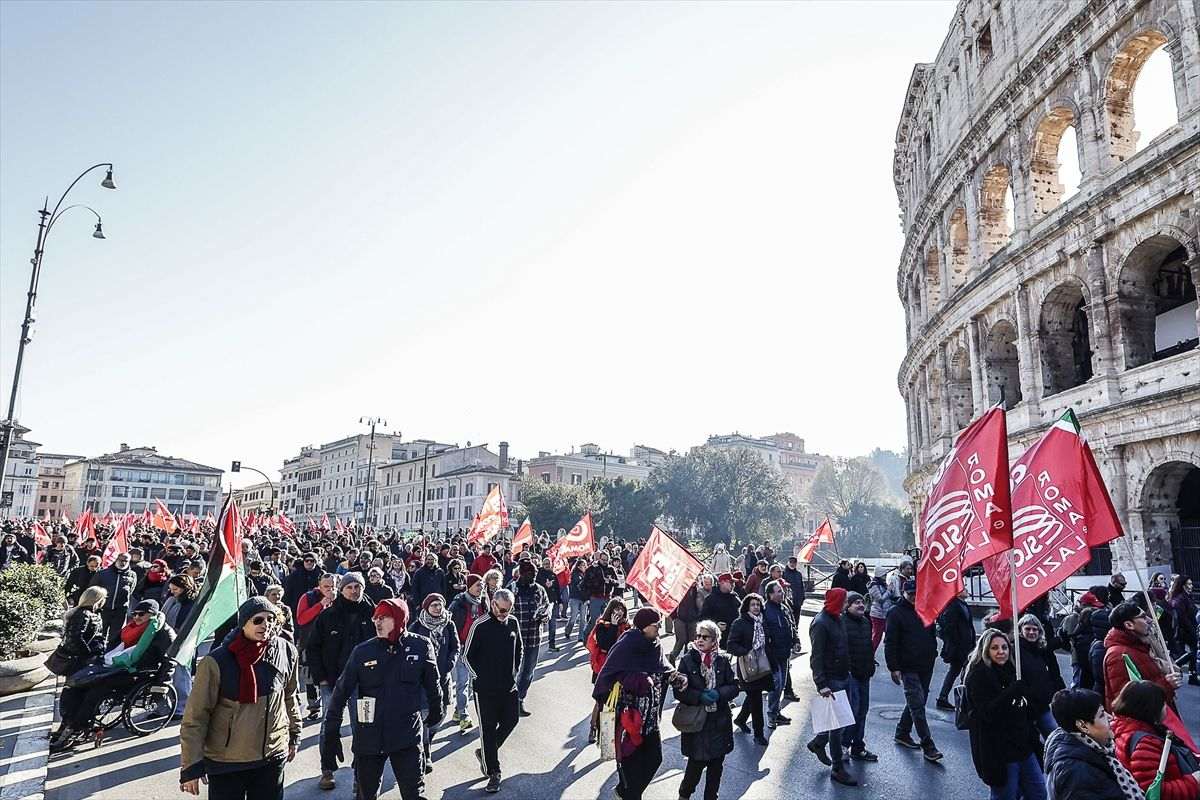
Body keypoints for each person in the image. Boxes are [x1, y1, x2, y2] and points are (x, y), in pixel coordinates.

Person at [179, 597, 301, 800]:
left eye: (271, 619)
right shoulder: (216, 662)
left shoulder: (286, 651)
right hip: (227, 762)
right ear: (243, 623)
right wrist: (191, 766)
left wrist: (294, 734)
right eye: (258, 620)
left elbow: (290, 696)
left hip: (271, 757)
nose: (266, 625)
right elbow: (196, 716)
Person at [321, 598, 442, 800]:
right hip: (369, 738)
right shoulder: (362, 651)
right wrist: (331, 734)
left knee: (414, 794)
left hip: (406, 736)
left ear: (399, 618)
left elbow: (433, 684)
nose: (377, 622)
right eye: (375, 617)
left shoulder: (420, 646)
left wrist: (436, 710)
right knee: (366, 795)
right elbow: (340, 693)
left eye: (383, 617)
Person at [53, 599, 176, 752]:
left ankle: (77, 728)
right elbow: (112, 644)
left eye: (141, 614)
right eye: (134, 614)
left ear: (152, 614)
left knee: (95, 692)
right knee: (75, 686)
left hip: (138, 672)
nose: (136, 617)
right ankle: (68, 722)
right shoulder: (131, 627)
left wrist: (162, 684)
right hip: (115, 665)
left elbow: (170, 661)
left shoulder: (165, 633)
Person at [592, 607, 682, 800]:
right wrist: (634, 679)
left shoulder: (655, 644)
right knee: (631, 765)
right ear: (643, 626)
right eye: (656, 625)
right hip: (629, 718)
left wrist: (674, 676)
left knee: (655, 759)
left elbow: (663, 666)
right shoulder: (627, 644)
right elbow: (608, 673)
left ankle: (624, 793)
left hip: (650, 717)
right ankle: (628, 794)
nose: (659, 628)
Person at [308, 572, 376, 791]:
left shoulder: (374, 614)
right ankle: (327, 769)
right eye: (350, 587)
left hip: (365, 683)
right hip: (332, 681)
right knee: (329, 726)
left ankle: (360, 774)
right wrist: (320, 678)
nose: (354, 591)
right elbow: (313, 647)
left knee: (363, 727)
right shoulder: (327, 616)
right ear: (342, 589)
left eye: (358, 587)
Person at [965, 629, 1047, 800]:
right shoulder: (978, 676)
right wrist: (1011, 692)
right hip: (1000, 751)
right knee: (1006, 795)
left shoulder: (1013, 670)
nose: (1001, 652)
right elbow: (987, 713)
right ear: (985, 650)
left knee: (1038, 792)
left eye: (1004, 647)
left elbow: (1026, 707)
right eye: (995, 648)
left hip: (1023, 745)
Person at [463, 587, 523, 794]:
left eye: (508, 610)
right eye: (501, 609)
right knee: (488, 729)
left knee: (512, 720)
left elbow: (519, 649)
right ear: (492, 604)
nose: (504, 613)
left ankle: (486, 753)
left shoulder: (513, 623)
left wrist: (515, 673)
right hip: (485, 690)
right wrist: (479, 677)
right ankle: (493, 772)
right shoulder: (480, 625)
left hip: (508, 686)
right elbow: (466, 656)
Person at [673, 619, 738, 800]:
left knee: (716, 766)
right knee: (695, 766)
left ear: (715, 640)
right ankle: (684, 795)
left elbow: (734, 686)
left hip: (719, 721)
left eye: (705, 637)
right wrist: (699, 696)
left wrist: (719, 693)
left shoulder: (723, 660)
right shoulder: (687, 660)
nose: (700, 640)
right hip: (697, 722)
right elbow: (679, 691)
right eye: (698, 636)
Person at [1043, 688, 1144, 800]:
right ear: (1083, 726)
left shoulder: (1096, 749)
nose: (1110, 717)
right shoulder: (1078, 773)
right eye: (1101, 715)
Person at [884, 578, 943, 762]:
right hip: (908, 666)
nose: (914, 597)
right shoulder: (895, 613)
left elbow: (931, 632)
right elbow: (890, 642)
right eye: (910, 594)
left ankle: (902, 732)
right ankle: (928, 745)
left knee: (919, 701)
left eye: (916, 594)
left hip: (926, 663)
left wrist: (933, 651)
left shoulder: (924, 609)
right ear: (904, 593)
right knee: (917, 706)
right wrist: (893, 667)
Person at [1111, 680, 1200, 800]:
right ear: (1151, 708)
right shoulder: (1145, 744)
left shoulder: (1125, 728)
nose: (1166, 707)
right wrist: (1194, 781)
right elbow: (1154, 792)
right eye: (1163, 703)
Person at [806, 587, 855, 785]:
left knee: (843, 720)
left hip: (842, 675)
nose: (846, 604)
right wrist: (821, 683)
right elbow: (816, 656)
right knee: (837, 725)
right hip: (832, 678)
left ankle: (819, 742)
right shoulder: (821, 623)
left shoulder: (837, 618)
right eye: (844, 601)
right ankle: (837, 768)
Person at [1102, 602, 1184, 720]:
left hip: (1156, 714)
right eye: (1143, 617)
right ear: (1129, 625)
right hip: (1143, 722)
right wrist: (1166, 685)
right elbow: (1127, 701)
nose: (1149, 620)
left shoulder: (1139, 646)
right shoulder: (1118, 655)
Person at [408, 593, 457, 772]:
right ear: (426, 607)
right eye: (433, 605)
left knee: (441, 715)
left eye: (439, 605)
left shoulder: (448, 624)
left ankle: (428, 739)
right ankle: (425, 753)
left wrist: (449, 664)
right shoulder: (417, 626)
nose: (437, 608)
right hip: (423, 681)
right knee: (426, 716)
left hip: (443, 677)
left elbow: (455, 647)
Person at [726, 593, 772, 747]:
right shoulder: (740, 623)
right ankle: (759, 734)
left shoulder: (763, 622)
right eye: (753, 604)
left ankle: (740, 719)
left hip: (763, 664)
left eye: (758, 604)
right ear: (747, 607)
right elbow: (731, 645)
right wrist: (746, 652)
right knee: (756, 700)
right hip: (748, 666)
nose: (756, 607)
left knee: (754, 696)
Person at [585, 598, 629, 743]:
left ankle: (611, 733)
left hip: (620, 669)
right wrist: (613, 627)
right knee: (600, 700)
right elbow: (606, 644)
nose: (619, 612)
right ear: (610, 610)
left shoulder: (627, 627)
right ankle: (593, 728)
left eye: (621, 610)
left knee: (616, 702)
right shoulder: (602, 625)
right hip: (603, 667)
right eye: (616, 609)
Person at [510, 559, 549, 716]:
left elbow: (546, 607)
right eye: (529, 573)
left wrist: (544, 616)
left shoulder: (540, 590)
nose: (532, 576)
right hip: (514, 638)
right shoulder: (512, 589)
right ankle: (508, 700)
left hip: (533, 636)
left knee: (528, 670)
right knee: (512, 670)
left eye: (534, 574)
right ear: (522, 573)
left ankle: (519, 699)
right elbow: (502, 610)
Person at [1017, 613, 1066, 739]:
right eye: (1028, 629)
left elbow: (1052, 675)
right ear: (1021, 630)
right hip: (1027, 707)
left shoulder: (1041, 650)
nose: (1031, 632)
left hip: (1043, 705)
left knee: (1055, 737)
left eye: (1035, 629)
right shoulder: (1016, 651)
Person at [448, 574, 487, 732]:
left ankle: (458, 710)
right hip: (463, 647)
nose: (481, 588)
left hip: (478, 648)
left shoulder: (483, 602)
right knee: (462, 682)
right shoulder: (458, 603)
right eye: (478, 585)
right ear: (469, 586)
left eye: (482, 585)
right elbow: (449, 625)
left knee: (472, 682)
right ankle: (464, 716)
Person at [843, 591, 878, 763]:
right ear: (848, 606)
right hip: (851, 674)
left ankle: (858, 746)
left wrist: (871, 665)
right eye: (856, 602)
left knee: (863, 711)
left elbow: (868, 646)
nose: (861, 605)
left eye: (862, 602)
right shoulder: (842, 622)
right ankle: (843, 745)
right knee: (853, 711)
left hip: (865, 672)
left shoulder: (865, 622)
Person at [295, 572, 336, 721]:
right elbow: (301, 619)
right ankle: (313, 707)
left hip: (331, 644)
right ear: (319, 585)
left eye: (332, 586)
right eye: (326, 586)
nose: (329, 589)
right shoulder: (308, 597)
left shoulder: (339, 598)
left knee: (329, 677)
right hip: (310, 643)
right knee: (310, 677)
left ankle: (330, 710)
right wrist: (321, 605)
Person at [47, 586, 107, 686]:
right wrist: (88, 654)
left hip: (85, 658)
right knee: (77, 686)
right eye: (103, 598)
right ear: (97, 600)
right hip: (80, 660)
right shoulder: (83, 614)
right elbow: (75, 637)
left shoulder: (89, 613)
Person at [935, 587, 976, 711]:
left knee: (960, 672)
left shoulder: (963, 604)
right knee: (962, 672)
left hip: (966, 646)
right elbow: (949, 628)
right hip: (959, 647)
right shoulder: (953, 606)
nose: (967, 590)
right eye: (963, 589)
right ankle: (954, 698)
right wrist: (955, 644)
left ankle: (948, 697)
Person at [761, 580, 795, 728]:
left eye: (782, 590)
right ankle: (771, 715)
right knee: (776, 685)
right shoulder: (765, 610)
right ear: (770, 594)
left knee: (781, 685)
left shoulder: (784, 608)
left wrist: (795, 640)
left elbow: (792, 625)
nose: (782, 593)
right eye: (779, 591)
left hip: (785, 653)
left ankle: (776, 712)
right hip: (772, 655)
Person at [90, 551, 138, 648]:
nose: (123, 563)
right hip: (103, 609)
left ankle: (108, 652)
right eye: (121, 560)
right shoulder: (103, 573)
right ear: (116, 559)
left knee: (115, 636)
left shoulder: (132, 575)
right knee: (99, 633)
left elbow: (131, 590)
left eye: (126, 561)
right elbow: (92, 590)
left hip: (120, 611)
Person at [1166, 575, 1198, 686]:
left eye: (1191, 583)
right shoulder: (1179, 599)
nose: (1191, 586)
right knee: (1191, 653)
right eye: (1189, 584)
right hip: (1184, 631)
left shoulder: (1187, 597)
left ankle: (1192, 676)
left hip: (1189, 629)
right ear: (1183, 585)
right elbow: (1182, 618)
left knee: (1194, 652)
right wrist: (1192, 629)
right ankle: (1175, 666)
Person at [669, 575, 707, 664]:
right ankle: (673, 657)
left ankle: (687, 662)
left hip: (693, 618)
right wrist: (674, 617)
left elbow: (700, 604)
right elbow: (672, 601)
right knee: (681, 640)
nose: (695, 580)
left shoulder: (698, 590)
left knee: (691, 641)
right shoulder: (680, 588)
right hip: (679, 618)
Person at [583, 552, 617, 642]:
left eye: (607, 560)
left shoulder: (611, 569)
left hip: (607, 597)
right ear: (599, 559)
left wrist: (611, 581)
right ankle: (585, 637)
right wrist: (587, 597)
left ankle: (601, 640)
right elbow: (585, 582)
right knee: (595, 619)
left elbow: (617, 582)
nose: (605, 562)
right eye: (603, 560)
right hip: (595, 597)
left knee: (606, 620)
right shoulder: (592, 568)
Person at [699, 574, 740, 649]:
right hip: (716, 640)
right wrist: (715, 624)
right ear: (722, 583)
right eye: (730, 582)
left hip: (733, 639)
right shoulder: (710, 599)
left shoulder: (735, 598)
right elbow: (703, 618)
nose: (733, 585)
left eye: (733, 582)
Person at [867, 566, 892, 653]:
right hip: (878, 613)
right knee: (877, 636)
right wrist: (889, 591)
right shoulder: (874, 585)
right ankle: (870, 653)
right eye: (884, 575)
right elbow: (880, 599)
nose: (885, 577)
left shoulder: (882, 584)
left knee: (889, 633)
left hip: (884, 613)